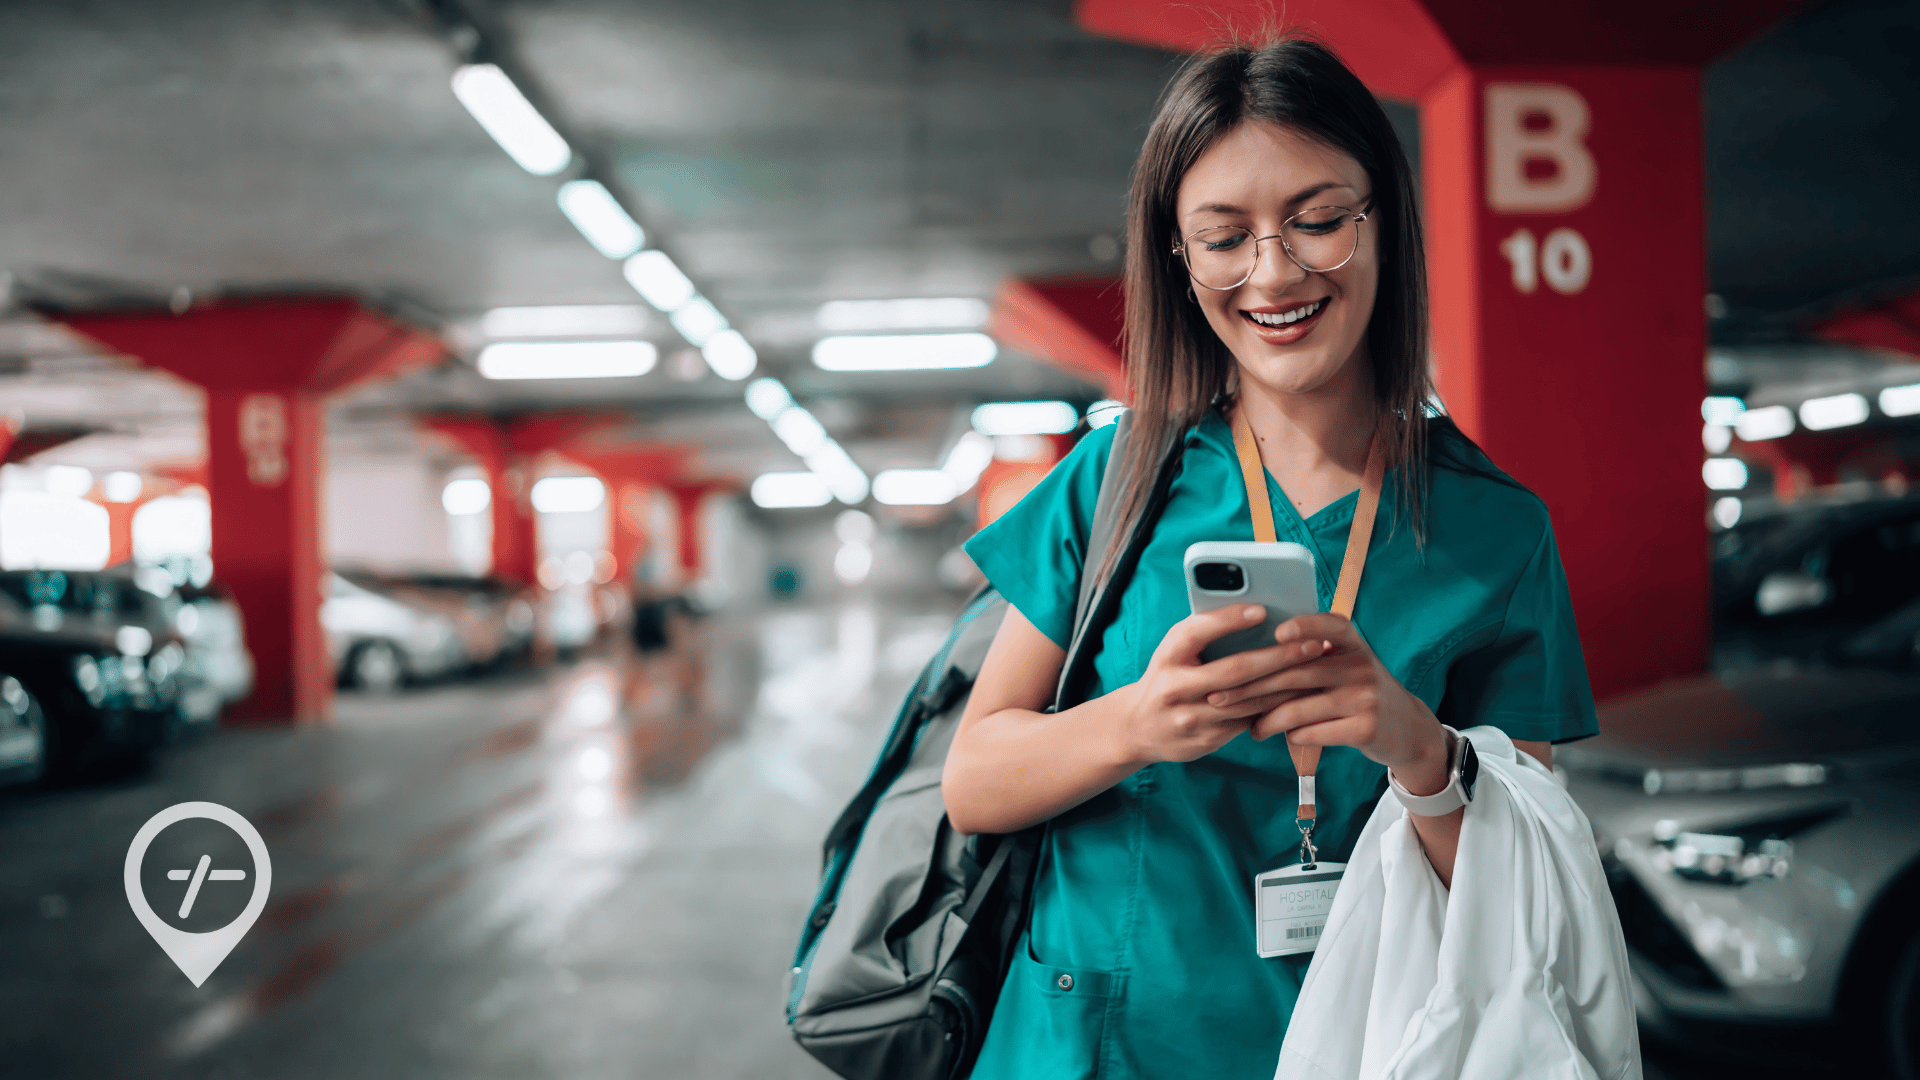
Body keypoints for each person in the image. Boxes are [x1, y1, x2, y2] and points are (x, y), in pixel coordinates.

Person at [944, 35, 1599, 1080]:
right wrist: (1134, 725)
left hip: (1360, 1046)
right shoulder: (1117, 480)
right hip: (1086, 1047)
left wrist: (1419, 753)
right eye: (1224, 237)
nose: (1274, 273)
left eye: (1318, 221)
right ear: (1178, 255)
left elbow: (1525, 879)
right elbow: (973, 781)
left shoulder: (1494, 530)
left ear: (1383, 219)